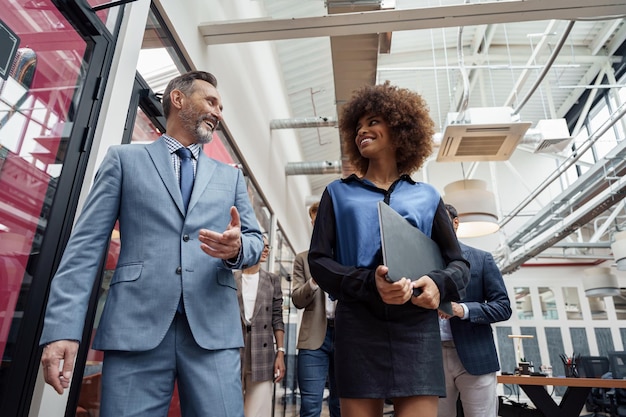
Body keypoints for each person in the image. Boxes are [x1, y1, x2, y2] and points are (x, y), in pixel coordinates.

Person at [39, 70, 264, 417]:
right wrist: (62, 329)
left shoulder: (230, 177)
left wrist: (237, 249)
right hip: (135, 329)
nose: (219, 113)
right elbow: (85, 248)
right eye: (211, 102)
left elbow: (254, 240)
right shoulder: (124, 160)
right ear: (178, 99)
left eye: (221, 107)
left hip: (213, 331)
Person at [308, 81, 470, 417]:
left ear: (399, 129)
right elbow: (320, 261)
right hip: (358, 326)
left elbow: (459, 264)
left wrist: (437, 284)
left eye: (373, 122)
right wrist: (369, 283)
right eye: (358, 126)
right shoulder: (337, 194)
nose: (362, 131)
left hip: (416, 329)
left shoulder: (427, 196)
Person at [437, 204, 512, 417]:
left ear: (455, 223)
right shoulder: (420, 263)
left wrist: (463, 310)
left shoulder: (482, 258)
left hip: (475, 355)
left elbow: (503, 307)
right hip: (431, 358)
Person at [291, 201, 341, 417]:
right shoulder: (303, 258)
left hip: (345, 338)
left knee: (341, 406)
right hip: (313, 339)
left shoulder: (346, 256)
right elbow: (296, 299)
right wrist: (314, 280)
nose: (318, 225)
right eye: (314, 222)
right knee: (310, 406)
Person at [234, 235, 286, 417]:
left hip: (262, 352)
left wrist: (280, 352)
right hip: (235, 350)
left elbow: (277, 318)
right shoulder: (232, 278)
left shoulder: (272, 280)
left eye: (267, 246)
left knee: (258, 411)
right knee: (230, 406)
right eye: (260, 245)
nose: (265, 249)